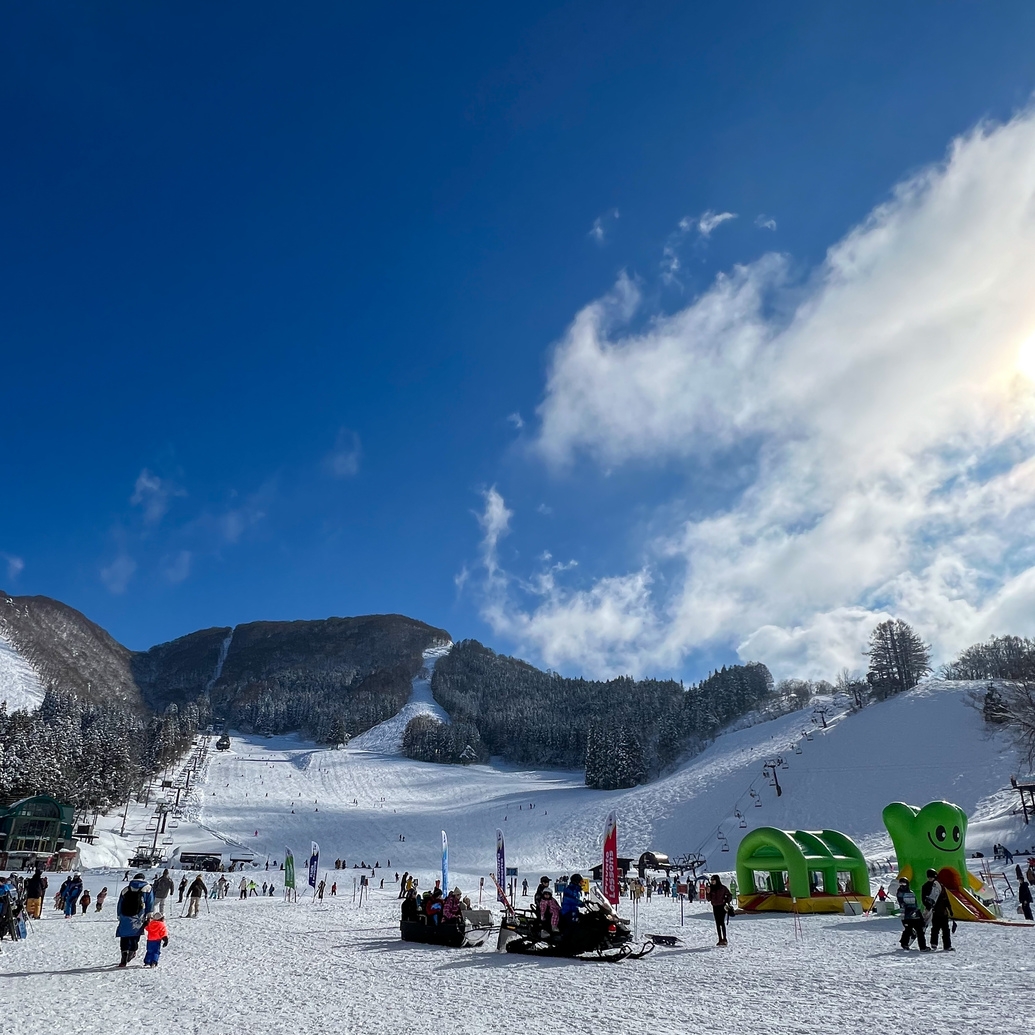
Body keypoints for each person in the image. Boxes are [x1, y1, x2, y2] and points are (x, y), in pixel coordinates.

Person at [116, 873, 154, 967]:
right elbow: (150, 902)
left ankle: (123, 957)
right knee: (135, 935)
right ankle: (132, 952)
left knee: (124, 936)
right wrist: (149, 915)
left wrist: (119, 915)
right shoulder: (147, 888)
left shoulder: (126, 889)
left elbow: (120, 903)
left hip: (125, 916)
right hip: (138, 916)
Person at [921, 868, 954, 951]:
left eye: (932, 877)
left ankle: (947, 945)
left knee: (946, 929)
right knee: (935, 928)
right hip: (934, 911)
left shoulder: (940, 886)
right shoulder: (925, 886)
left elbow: (945, 898)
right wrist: (928, 906)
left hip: (943, 911)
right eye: (929, 877)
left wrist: (949, 909)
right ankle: (934, 943)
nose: (930, 879)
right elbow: (923, 899)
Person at [896, 877, 930, 951]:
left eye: (904, 883)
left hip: (914, 915)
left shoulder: (911, 892)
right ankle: (904, 943)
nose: (902, 885)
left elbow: (915, 904)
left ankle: (922, 946)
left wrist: (918, 913)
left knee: (919, 930)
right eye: (901, 883)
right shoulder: (900, 893)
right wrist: (908, 911)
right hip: (906, 915)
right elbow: (902, 903)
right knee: (908, 929)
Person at [707, 874, 732, 946]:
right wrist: (708, 893)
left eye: (713, 880)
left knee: (721, 922)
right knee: (717, 923)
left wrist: (726, 899)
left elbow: (730, 895)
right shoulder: (711, 888)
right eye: (711, 880)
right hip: (715, 907)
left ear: (717, 880)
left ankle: (724, 938)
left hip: (722, 906)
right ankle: (720, 939)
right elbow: (708, 899)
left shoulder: (723, 888)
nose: (712, 882)